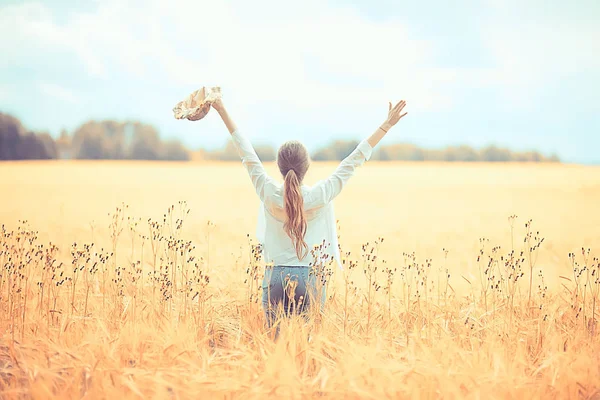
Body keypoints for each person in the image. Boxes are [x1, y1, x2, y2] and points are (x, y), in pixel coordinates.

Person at [210, 96, 408, 332]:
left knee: (275, 345)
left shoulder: (268, 191)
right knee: (308, 344)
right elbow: (354, 160)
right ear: (307, 166)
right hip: (311, 277)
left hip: (275, 275)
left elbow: (246, 153)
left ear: (279, 166)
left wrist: (221, 109)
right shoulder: (320, 194)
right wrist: (386, 126)